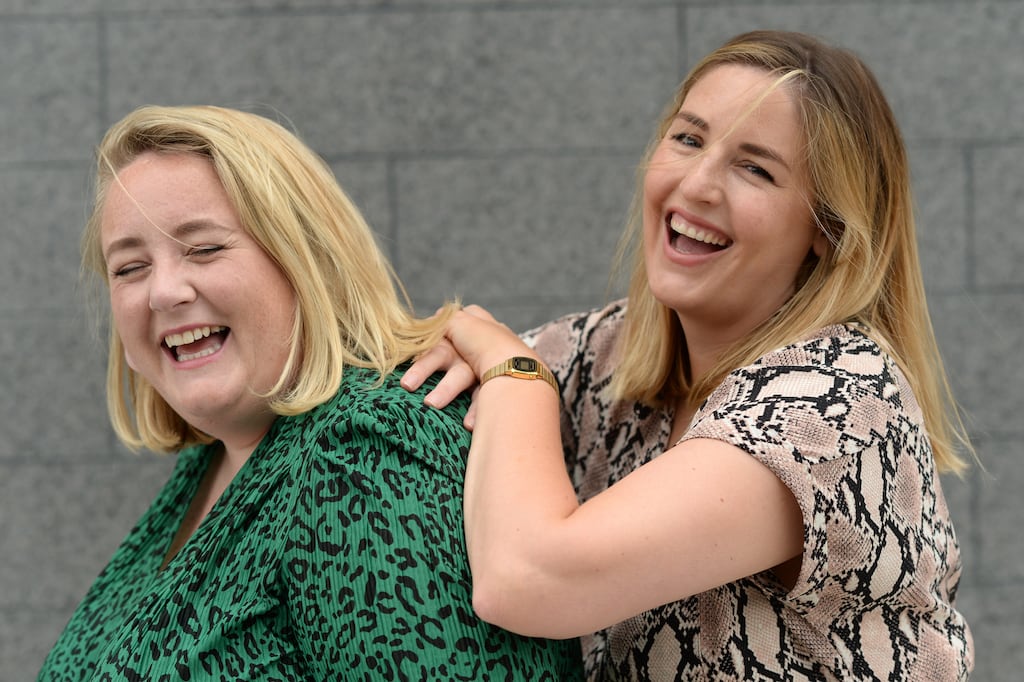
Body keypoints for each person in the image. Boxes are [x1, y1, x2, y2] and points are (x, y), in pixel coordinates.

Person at [401, 30, 975, 680]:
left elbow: (529, 578)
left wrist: (517, 380)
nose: (698, 183)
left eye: (755, 168)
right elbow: (419, 376)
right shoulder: (610, 355)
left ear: (826, 228)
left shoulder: (837, 410)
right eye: (689, 139)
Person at [38, 105, 583, 681]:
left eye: (204, 249)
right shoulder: (213, 463)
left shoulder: (364, 452)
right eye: (129, 268)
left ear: (308, 264)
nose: (162, 292)